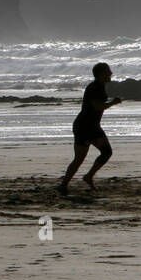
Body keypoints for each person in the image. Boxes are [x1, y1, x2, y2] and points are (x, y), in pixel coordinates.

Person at [60, 62, 121, 195]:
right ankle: (64, 185)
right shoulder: (94, 87)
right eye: (108, 71)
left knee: (106, 152)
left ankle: (88, 176)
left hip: (93, 126)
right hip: (83, 126)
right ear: (100, 74)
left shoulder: (100, 86)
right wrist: (113, 103)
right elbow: (98, 106)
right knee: (79, 159)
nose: (111, 73)